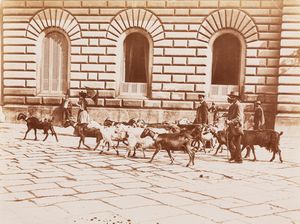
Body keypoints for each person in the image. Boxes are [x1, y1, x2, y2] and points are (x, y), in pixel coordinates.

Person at [225, 91, 244, 163]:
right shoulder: (233, 105)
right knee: (229, 141)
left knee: (237, 143)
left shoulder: (239, 105)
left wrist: (230, 122)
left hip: (236, 127)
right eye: (230, 96)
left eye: (232, 97)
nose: (230, 98)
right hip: (231, 127)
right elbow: (232, 114)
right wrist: (226, 115)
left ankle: (239, 159)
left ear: (235, 98)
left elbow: (239, 118)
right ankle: (233, 156)